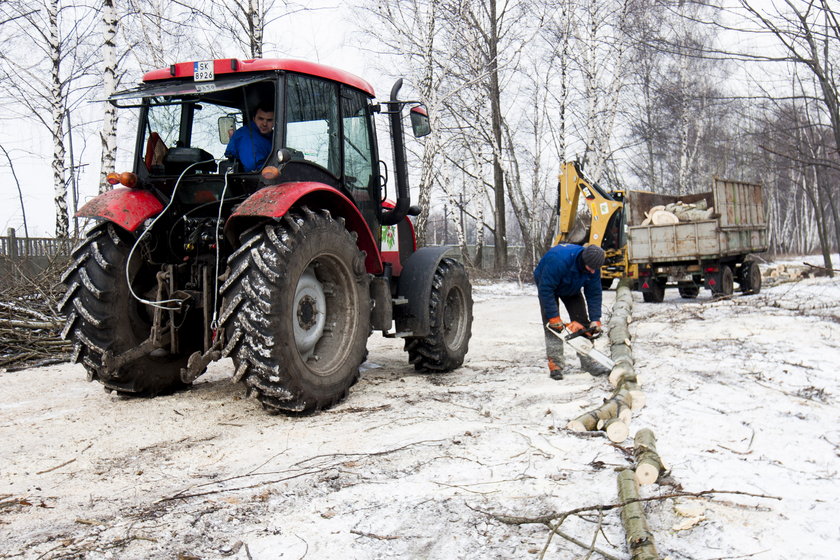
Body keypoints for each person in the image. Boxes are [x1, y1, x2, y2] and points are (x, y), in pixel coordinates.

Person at [533, 243, 609, 380]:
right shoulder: (558, 261)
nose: (593, 271)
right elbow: (546, 290)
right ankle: (555, 364)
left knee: (583, 322)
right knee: (553, 327)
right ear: (584, 261)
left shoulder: (593, 267)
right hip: (548, 285)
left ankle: (588, 362)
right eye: (590, 268)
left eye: (595, 269)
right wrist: (554, 317)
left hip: (572, 287)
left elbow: (594, 293)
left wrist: (595, 318)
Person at [225, 104, 275, 172]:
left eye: (269, 120)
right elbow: (253, 167)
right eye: (261, 119)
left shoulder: (274, 136)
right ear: (254, 118)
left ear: (275, 121)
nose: (264, 124)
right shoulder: (246, 136)